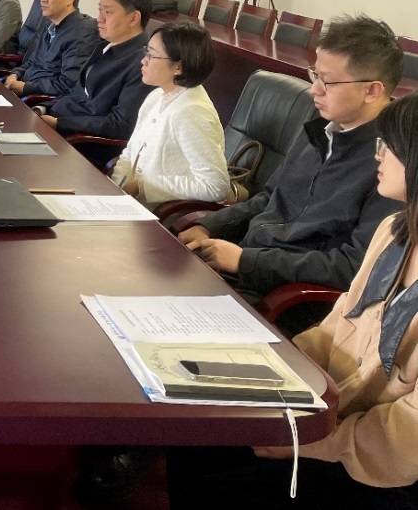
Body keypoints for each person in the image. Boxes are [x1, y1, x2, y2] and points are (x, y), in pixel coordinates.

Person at [167, 92, 418, 509]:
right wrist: (271, 376)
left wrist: (312, 442)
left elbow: (407, 438)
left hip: (382, 462)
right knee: (197, 433)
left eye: (389, 146)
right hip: (335, 414)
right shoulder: (394, 231)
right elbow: (340, 323)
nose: (378, 154)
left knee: (217, 491)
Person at [178, 14, 404, 311]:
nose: (314, 90)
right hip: (243, 269)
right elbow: (270, 197)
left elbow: (353, 267)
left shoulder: (393, 167)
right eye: (315, 75)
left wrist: (247, 261)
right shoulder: (320, 130)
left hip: (286, 300)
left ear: (372, 90)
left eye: (327, 82)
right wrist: (209, 226)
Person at [110, 21, 230, 208]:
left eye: (152, 55)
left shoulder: (191, 112)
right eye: (146, 52)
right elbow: (129, 154)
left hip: (162, 215)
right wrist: (114, 190)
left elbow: (215, 186)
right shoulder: (157, 96)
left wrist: (143, 186)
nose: (143, 60)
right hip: (130, 207)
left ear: (178, 67)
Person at [38, 0, 154, 154]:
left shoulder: (143, 63)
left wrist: (60, 123)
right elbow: (77, 93)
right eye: (100, 10)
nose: (99, 18)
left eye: (108, 12)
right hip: (62, 127)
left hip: (84, 145)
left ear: (134, 18)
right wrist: (43, 108)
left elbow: (120, 125)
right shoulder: (104, 46)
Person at [3, 0, 99, 97]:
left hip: (39, 100)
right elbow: (32, 61)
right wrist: (15, 74)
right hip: (25, 90)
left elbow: (68, 84)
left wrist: (26, 87)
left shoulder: (82, 32)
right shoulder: (50, 25)